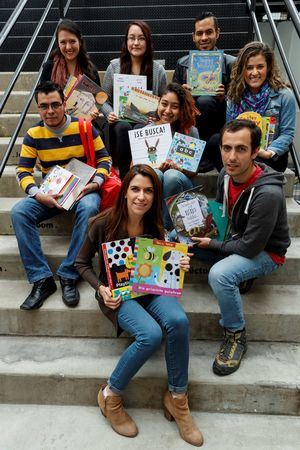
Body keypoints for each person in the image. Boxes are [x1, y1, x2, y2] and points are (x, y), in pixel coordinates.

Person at [75, 164, 203, 446]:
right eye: (135, 189)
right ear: (124, 192)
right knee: (151, 334)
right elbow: (80, 263)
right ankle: (110, 395)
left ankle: (177, 398)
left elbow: (163, 267)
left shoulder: (156, 224)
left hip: (150, 288)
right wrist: (101, 288)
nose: (141, 196)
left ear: (155, 196)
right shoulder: (101, 223)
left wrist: (179, 264)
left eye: (148, 191)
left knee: (179, 322)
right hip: (117, 295)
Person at [191, 119, 290, 376]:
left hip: (266, 252)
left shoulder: (268, 194)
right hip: (238, 238)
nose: (231, 157)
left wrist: (211, 243)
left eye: (241, 149)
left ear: (255, 151)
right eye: (226, 148)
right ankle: (241, 276)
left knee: (220, 275)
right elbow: (220, 213)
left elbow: (249, 247)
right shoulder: (226, 174)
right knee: (178, 237)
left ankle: (235, 334)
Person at [11, 81, 111, 310]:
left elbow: (105, 159)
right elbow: (23, 170)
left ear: (64, 104)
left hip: (82, 191)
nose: (50, 111)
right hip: (50, 194)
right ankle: (42, 279)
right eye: (44, 106)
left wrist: (96, 183)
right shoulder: (33, 134)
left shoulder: (84, 127)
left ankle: (69, 273)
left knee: (89, 207)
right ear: (38, 108)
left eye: (55, 104)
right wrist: (37, 194)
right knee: (18, 212)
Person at [101, 20, 167, 179]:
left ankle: (141, 175)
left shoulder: (158, 70)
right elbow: (103, 99)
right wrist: (109, 113)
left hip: (146, 122)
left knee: (139, 128)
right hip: (119, 121)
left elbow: (165, 101)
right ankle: (125, 177)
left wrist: (157, 114)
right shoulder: (114, 66)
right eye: (132, 38)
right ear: (126, 41)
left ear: (148, 42)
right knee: (123, 127)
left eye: (141, 38)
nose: (136, 43)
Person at [226, 41, 296, 172]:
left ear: (268, 67)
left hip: (270, 155)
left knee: (256, 161)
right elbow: (229, 131)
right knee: (215, 142)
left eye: (260, 67)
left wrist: (269, 152)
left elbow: (287, 133)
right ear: (242, 69)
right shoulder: (234, 96)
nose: (254, 72)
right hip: (243, 152)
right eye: (249, 67)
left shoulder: (284, 96)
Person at [173, 12, 235, 156]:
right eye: (199, 33)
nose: (204, 38)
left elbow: (239, 102)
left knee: (205, 101)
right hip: (190, 117)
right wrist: (181, 94)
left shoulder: (231, 63)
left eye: (209, 32)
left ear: (217, 33)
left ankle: (204, 155)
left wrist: (224, 98)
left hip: (217, 119)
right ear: (193, 36)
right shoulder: (182, 63)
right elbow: (171, 98)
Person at [40, 19, 108, 143]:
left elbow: (98, 99)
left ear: (80, 42)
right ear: (58, 44)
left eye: (72, 41)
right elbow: (40, 97)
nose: (68, 47)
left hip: (84, 123)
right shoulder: (49, 67)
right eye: (63, 42)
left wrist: (94, 111)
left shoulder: (90, 69)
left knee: (97, 135)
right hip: (55, 122)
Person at [153, 83, 199, 229]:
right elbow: (134, 167)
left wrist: (180, 168)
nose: (167, 110)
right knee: (156, 173)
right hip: (157, 182)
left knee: (171, 176)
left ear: (181, 109)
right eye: (164, 104)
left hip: (181, 184)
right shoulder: (148, 129)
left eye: (174, 106)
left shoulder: (190, 131)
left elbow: (194, 171)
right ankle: (151, 224)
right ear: (158, 103)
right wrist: (155, 167)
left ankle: (165, 229)